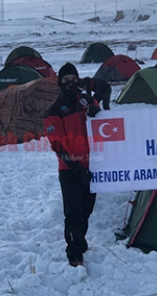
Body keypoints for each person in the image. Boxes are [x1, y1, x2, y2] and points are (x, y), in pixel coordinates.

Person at [44, 62, 101, 267]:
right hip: (69, 170)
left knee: (87, 209)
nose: (70, 83)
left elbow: (103, 124)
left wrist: (96, 110)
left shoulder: (86, 100)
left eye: (73, 79)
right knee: (73, 212)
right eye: (66, 80)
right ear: (60, 83)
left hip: (93, 165)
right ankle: (74, 252)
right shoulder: (54, 110)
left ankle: (80, 239)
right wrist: (77, 168)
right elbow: (58, 145)